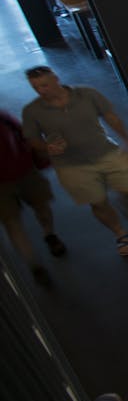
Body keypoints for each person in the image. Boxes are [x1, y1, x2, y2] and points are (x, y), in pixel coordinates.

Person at [21, 66, 128, 256]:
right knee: (98, 202)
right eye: (36, 87)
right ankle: (120, 234)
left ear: (56, 79)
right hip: (71, 166)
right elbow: (32, 140)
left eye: (45, 85)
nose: (41, 91)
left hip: (105, 151)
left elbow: (110, 117)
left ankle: (126, 204)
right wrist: (46, 147)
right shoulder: (32, 111)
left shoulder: (87, 94)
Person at [1, 108, 61, 287]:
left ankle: (50, 235)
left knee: (42, 206)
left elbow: (24, 136)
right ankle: (35, 266)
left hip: (25, 171)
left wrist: (41, 158)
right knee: (12, 223)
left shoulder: (4, 117)